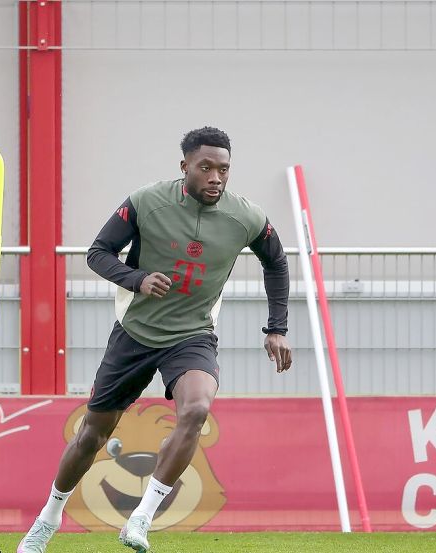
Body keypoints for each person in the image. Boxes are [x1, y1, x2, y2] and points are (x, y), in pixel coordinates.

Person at [17, 127, 292, 553]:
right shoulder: (146, 202)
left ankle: (141, 519)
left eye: (223, 169)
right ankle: (47, 519)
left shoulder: (246, 217)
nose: (215, 177)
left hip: (192, 334)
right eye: (206, 167)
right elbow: (98, 252)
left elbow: (275, 260)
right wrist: (138, 279)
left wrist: (277, 327)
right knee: (92, 434)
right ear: (184, 167)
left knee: (197, 408)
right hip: (135, 332)